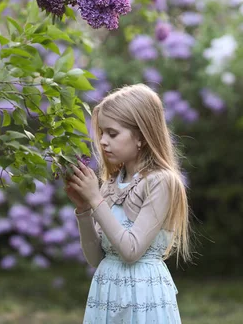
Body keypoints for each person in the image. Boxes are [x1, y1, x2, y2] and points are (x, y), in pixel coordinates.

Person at [65, 83, 192, 323]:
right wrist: (83, 209)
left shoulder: (160, 182)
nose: (102, 141)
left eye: (112, 134)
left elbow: (131, 251)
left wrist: (95, 199)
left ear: (141, 137)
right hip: (107, 292)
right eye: (101, 132)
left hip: (142, 296)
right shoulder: (112, 182)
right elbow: (96, 259)